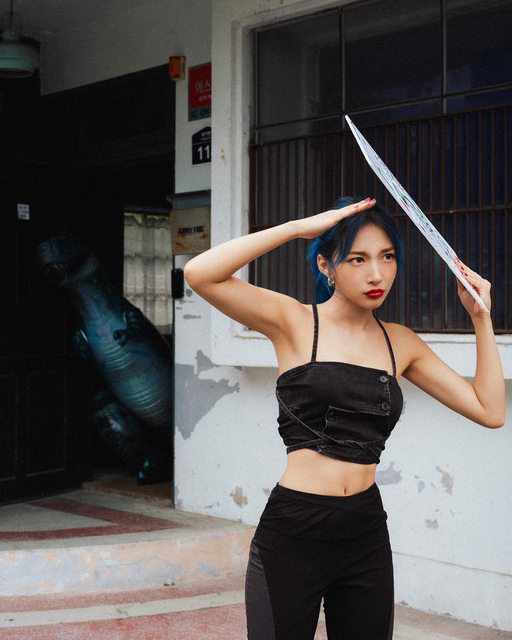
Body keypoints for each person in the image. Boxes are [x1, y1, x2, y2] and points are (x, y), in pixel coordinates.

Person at [184, 196, 505, 640]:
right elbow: (200, 273)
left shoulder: (400, 343)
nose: (377, 274)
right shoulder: (294, 322)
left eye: (387, 257)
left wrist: (481, 318)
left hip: (365, 534)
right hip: (294, 531)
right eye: (357, 259)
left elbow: (490, 410)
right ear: (326, 266)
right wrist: (298, 227)